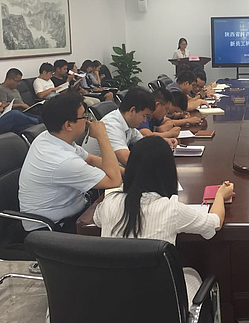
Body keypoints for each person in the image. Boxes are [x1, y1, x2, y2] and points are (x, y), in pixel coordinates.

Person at [93, 136, 234, 305]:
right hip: (158, 302)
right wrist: (220, 195)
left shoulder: (109, 203)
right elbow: (215, 223)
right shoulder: (171, 208)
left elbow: (97, 219)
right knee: (191, 274)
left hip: (112, 300)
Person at [19, 93, 122, 232]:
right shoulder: (63, 161)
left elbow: (91, 159)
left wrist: (130, 171)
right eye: (84, 116)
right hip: (52, 228)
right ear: (68, 125)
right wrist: (102, 136)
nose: (88, 120)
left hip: (76, 209)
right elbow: (114, 181)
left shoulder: (50, 137)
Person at [83, 88, 177, 165]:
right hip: (98, 176)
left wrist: (164, 142)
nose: (144, 120)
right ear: (132, 110)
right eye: (144, 115)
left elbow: (144, 140)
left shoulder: (127, 122)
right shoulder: (112, 125)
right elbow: (126, 159)